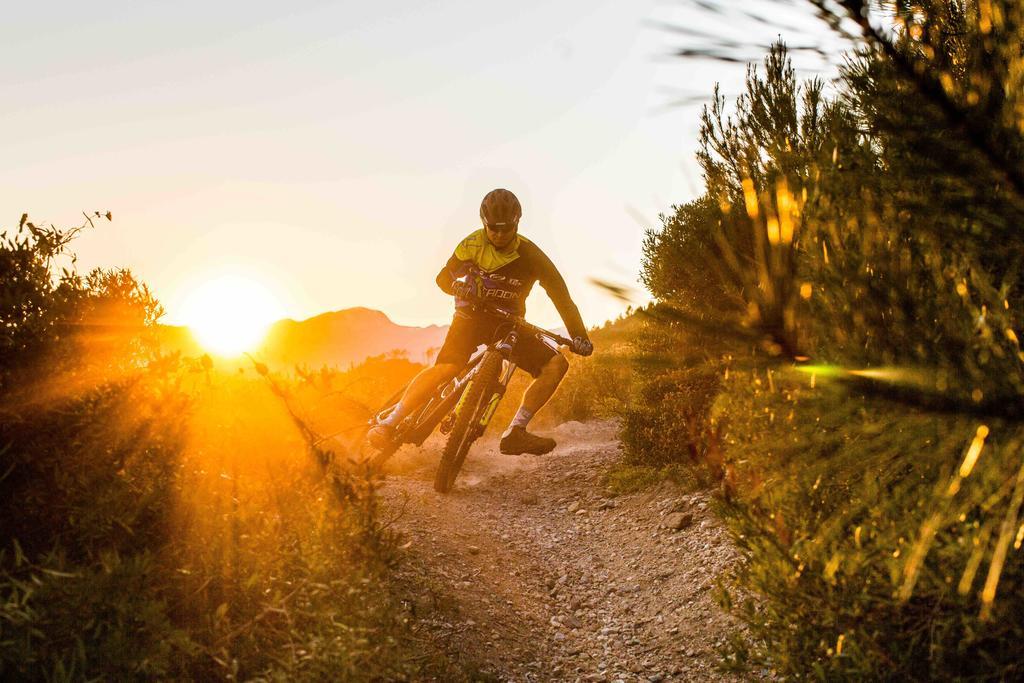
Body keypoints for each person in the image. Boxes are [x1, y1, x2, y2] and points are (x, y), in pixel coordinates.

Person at [368, 188, 593, 455]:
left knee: (556, 365)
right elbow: (443, 278)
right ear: (484, 223)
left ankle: (516, 432)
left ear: (516, 224)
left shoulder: (532, 256)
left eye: (505, 229)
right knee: (447, 367)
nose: (498, 234)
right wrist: (456, 287)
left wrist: (579, 335)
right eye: (492, 228)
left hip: (509, 324)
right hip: (470, 317)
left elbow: (562, 297)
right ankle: (389, 423)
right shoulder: (472, 244)